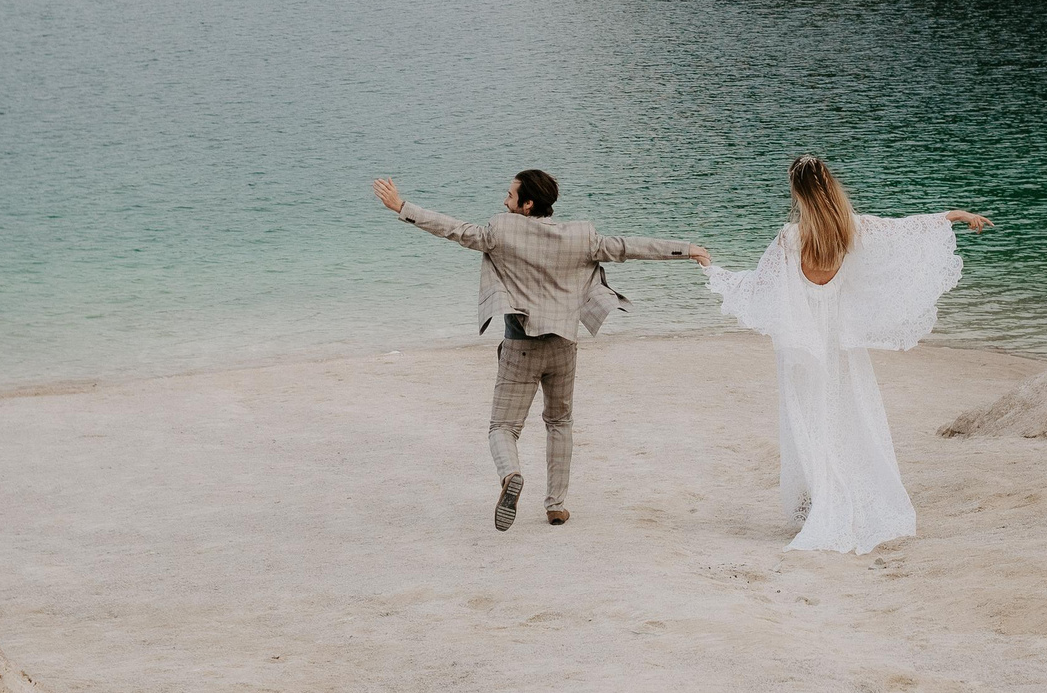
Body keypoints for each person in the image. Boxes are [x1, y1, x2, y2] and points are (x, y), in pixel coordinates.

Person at [374, 170, 708, 531]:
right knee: (560, 423)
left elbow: (453, 229)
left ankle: (511, 474)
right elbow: (627, 247)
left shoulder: (500, 231)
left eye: (510, 195)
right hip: (564, 346)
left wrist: (402, 207)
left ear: (528, 203)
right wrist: (686, 249)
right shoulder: (581, 237)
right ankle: (556, 506)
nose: (504, 200)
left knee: (502, 427)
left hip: (521, 347)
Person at [704, 157, 990, 555]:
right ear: (831, 187)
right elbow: (905, 229)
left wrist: (714, 271)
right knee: (848, 416)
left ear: (798, 194)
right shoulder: (851, 230)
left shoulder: (789, 239)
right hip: (839, 344)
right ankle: (847, 498)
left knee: (807, 418)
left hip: (804, 347)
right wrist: (952, 217)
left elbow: (759, 289)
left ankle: (820, 502)